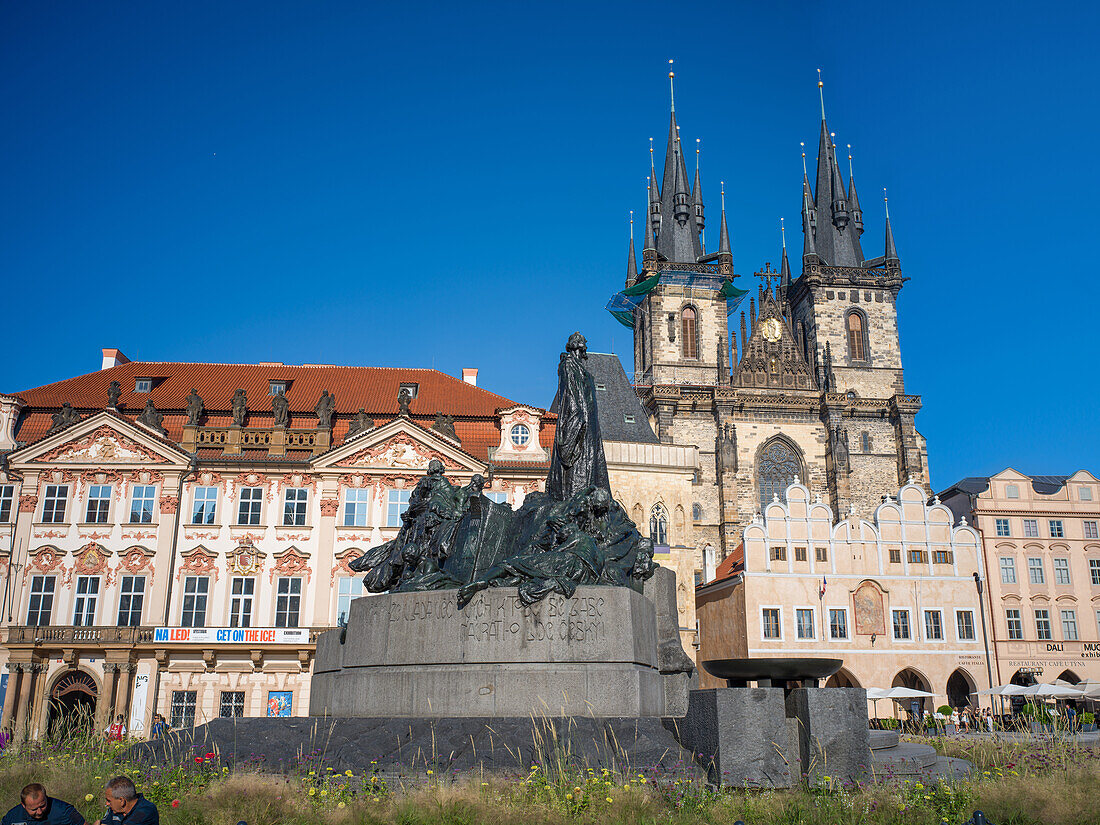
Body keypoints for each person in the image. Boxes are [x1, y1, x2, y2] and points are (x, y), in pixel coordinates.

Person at [2, 783, 85, 825]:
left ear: (46, 797)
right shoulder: (11, 817)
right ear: (23, 805)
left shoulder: (65, 811)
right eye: (34, 809)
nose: (39, 812)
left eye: (42, 806)